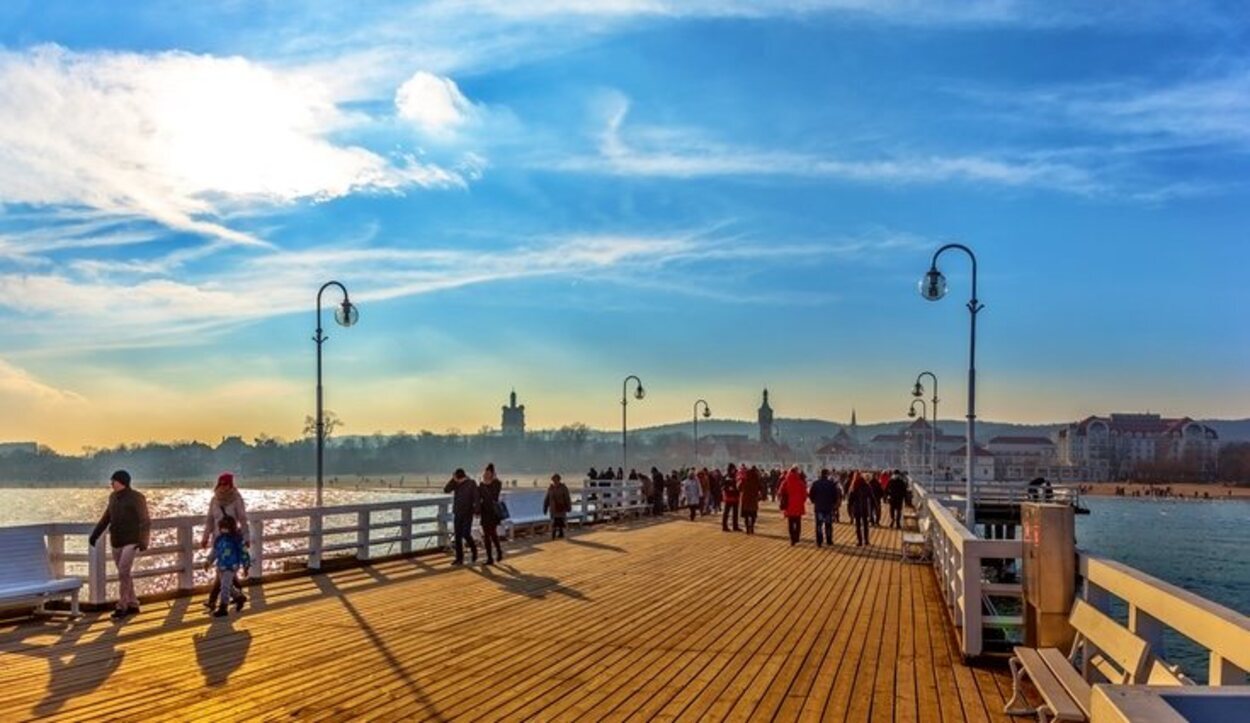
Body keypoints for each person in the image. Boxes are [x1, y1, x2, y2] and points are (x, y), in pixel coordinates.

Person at [88, 470, 150, 620]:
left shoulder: (137, 497)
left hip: (132, 540)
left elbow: (145, 520)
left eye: (113, 481)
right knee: (125, 573)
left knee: (123, 571)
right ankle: (133, 603)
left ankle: (122, 605)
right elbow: (106, 517)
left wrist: (143, 541)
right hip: (116, 540)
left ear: (121, 481)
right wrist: (95, 535)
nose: (111, 484)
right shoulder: (113, 497)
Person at [200, 472, 249, 611]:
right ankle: (238, 595)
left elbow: (243, 520)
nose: (223, 487)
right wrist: (205, 537)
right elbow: (210, 520)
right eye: (220, 484)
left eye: (226, 484)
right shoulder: (214, 500)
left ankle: (215, 601)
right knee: (223, 572)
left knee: (223, 572)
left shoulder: (236, 499)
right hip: (218, 540)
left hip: (232, 541)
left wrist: (246, 538)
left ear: (231, 484)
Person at [204, 515, 247, 618]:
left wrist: (246, 565)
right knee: (227, 586)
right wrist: (208, 561)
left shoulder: (236, 539)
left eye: (226, 527)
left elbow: (243, 552)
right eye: (222, 527)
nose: (224, 529)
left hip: (231, 567)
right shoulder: (219, 539)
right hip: (221, 566)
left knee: (224, 586)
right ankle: (239, 597)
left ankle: (223, 607)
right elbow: (214, 552)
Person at [444, 468, 479, 565]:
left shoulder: (471, 483)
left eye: (456, 477)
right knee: (458, 536)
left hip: (468, 513)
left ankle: (474, 550)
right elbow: (446, 490)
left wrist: (477, 510)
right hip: (458, 512)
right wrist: (453, 480)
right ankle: (459, 558)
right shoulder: (456, 483)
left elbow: (476, 497)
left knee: (466, 533)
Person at [478, 463, 504, 564]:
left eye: (489, 472)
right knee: (486, 535)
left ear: (492, 473)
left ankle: (499, 551)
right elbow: (479, 497)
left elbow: (493, 497)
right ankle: (489, 558)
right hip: (484, 512)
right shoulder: (481, 484)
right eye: (486, 472)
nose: (487, 474)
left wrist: (484, 485)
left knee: (492, 533)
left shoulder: (497, 483)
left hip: (493, 512)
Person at [779, 466, 808, 546]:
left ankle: (792, 539)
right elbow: (805, 495)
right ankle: (797, 537)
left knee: (790, 522)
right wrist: (802, 501)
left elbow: (780, 492)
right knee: (798, 522)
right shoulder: (800, 482)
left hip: (789, 505)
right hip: (798, 505)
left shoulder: (785, 482)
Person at [809, 469, 837, 548]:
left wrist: (815, 501)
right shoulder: (831, 484)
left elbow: (811, 495)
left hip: (819, 507)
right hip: (828, 507)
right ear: (827, 474)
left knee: (819, 525)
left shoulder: (815, 483)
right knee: (828, 524)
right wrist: (833, 503)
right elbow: (835, 496)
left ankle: (819, 541)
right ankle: (829, 540)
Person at [847, 472, 873, 547]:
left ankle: (860, 541)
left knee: (858, 525)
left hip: (857, 508)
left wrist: (849, 510)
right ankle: (867, 541)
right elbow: (871, 497)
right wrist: (876, 506)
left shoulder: (854, 486)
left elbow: (850, 500)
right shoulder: (867, 485)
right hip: (865, 507)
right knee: (865, 525)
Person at [543, 473, 573, 539]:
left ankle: (560, 532)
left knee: (560, 521)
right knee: (554, 522)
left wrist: (568, 507)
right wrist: (545, 507)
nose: (554, 481)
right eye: (553, 480)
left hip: (561, 508)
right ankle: (554, 534)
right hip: (553, 509)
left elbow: (567, 498)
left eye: (556, 479)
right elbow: (547, 498)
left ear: (559, 480)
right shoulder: (550, 488)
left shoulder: (563, 488)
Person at [739, 466, 762, 535]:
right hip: (753, 499)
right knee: (753, 515)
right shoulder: (756, 479)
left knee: (746, 515)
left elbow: (739, 487)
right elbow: (760, 487)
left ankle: (747, 528)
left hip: (746, 499)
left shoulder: (744, 479)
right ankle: (752, 527)